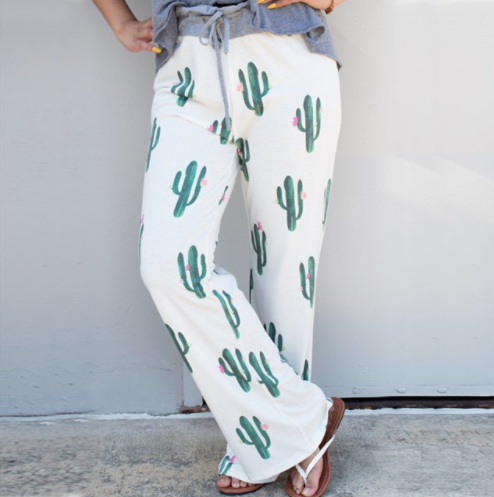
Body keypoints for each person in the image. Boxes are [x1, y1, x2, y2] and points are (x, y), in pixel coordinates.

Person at [91, 0, 348, 495]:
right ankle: (302, 421)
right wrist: (119, 21)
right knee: (168, 264)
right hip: (188, 66)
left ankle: (260, 438)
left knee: (287, 267)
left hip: (290, 61)